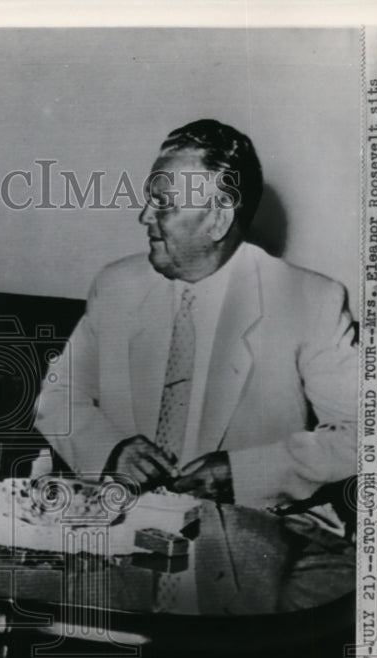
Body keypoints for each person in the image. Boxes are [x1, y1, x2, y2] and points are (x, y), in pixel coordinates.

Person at [34, 120, 357, 610]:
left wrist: (244, 472)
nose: (144, 215)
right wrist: (111, 451)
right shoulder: (116, 285)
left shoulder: (310, 300)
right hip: (121, 522)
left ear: (218, 219)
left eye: (163, 203)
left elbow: (370, 434)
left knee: (211, 624)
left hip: (249, 524)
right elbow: (57, 399)